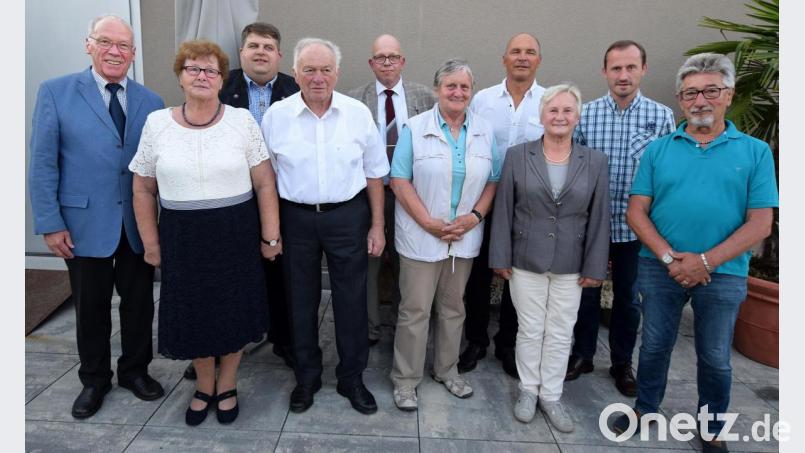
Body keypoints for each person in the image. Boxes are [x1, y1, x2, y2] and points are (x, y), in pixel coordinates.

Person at [614, 53, 777, 453]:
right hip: (660, 267)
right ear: (679, 99)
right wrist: (672, 259)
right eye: (690, 93)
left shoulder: (755, 152)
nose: (700, 100)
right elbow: (636, 211)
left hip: (724, 272)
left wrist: (705, 262)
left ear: (728, 94)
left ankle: (711, 427)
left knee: (716, 356)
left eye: (710, 91)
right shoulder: (659, 150)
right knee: (653, 345)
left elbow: (760, 224)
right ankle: (646, 407)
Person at [130, 40, 281, 426]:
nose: (202, 76)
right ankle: (204, 385)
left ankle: (228, 383)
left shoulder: (242, 120)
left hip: (235, 234)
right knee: (194, 313)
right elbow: (143, 188)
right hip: (182, 237)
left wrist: (271, 237)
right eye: (193, 69)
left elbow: (264, 183)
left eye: (211, 70)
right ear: (180, 77)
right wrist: (150, 243)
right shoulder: (157, 123)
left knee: (233, 311)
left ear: (221, 79)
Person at [28, 14, 165, 419]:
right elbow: (42, 163)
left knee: (139, 302)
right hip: (82, 222)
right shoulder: (56, 92)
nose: (114, 51)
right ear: (89, 45)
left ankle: (135, 371)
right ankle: (94, 379)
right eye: (106, 42)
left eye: (123, 45)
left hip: (137, 222)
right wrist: (50, 223)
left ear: (134, 54)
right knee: (91, 305)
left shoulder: (151, 101)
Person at [261, 37, 389, 415]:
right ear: (296, 73)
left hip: (348, 216)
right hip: (295, 217)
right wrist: (271, 231)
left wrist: (377, 226)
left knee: (351, 301)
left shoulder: (357, 114)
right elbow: (266, 177)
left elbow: (375, 174)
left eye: (326, 70)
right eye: (310, 70)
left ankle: (352, 378)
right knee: (300, 301)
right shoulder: (276, 116)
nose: (318, 78)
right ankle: (307, 377)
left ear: (338, 73)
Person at [182, 22, 300, 381]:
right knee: (226, 278)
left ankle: (284, 340)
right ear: (242, 53)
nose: (261, 51)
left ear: (279, 55)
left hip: (283, 199)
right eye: (253, 45)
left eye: (268, 46)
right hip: (228, 202)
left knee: (282, 276)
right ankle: (215, 348)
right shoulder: (220, 85)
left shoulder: (296, 90)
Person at [489, 83, 610, 432]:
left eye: (567, 110)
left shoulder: (595, 162)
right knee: (529, 329)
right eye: (553, 110)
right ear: (541, 116)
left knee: (560, 330)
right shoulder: (517, 155)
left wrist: (594, 265)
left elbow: (599, 217)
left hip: (572, 264)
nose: (560, 116)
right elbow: (504, 211)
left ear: (577, 116)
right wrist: (500, 256)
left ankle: (551, 396)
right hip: (525, 259)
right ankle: (528, 390)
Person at [389, 59, 500, 412]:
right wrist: (427, 221)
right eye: (450, 86)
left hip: (464, 235)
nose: (457, 92)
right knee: (415, 310)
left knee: (453, 308)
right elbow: (399, 179)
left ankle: (446, 370)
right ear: (438, 89)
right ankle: (406, 381)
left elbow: (493, 180)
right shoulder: (415, 127)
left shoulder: (484, 129)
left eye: (464, 87)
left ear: (472, 92)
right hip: (422, 235)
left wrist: (474, 217)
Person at [566, 40, 675, 397]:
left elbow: (666, 175)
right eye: (616, 68)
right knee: (586, 294)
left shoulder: (660, 117)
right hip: (591, 225)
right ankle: (582, 355)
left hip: (637, 229)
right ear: (604, 72)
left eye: (630, 68)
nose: (623, 75)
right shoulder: (588, 113)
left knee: (628, 299)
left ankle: (621, 363)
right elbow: (573, 168)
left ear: (644, 70)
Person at [459, 32, 546, 378]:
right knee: (478, 275)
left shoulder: (548, 100)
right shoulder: (481, 100)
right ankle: (476, 340)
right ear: (504, 59)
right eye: (515, 52)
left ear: (539, 60)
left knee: (517, 278)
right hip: (486, 201)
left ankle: (507, 343)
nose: (522, 57)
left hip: (529, 207)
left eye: (530, 52)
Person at [348, 34, 436, 347]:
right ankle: (371, 327)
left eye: (393, 57)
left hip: (411, 192)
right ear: (371, 63)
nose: (387, 62)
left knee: (407, 261)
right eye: (381, 57)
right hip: (370, 193)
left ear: (403, 61)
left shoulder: (424, 97)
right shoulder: (354, 100)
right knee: (370, 259)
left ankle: (403, 324)